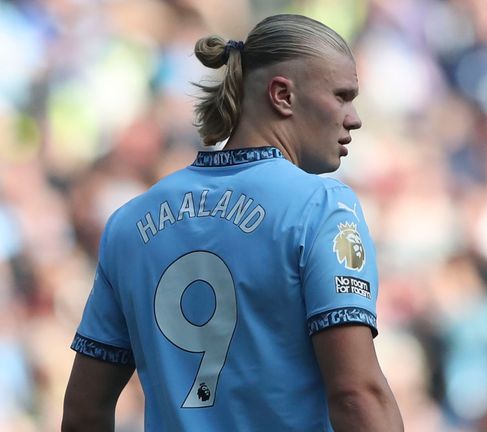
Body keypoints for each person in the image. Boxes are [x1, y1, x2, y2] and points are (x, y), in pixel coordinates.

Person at [62, 14, 403, 432]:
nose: (354, 118)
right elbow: (357, 395)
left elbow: (83, 412)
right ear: (282, 95)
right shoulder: (323, 207)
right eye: (342, 96)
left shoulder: (129, 223)